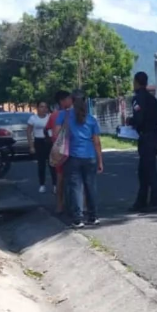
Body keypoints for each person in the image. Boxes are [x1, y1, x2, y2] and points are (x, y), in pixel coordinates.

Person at [56, 90, 103, 228]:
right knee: (91, 186)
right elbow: (97, 142)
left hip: (72, 156)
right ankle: (93, 216)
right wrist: (100, 160)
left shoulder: (64, 116)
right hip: (90, 156)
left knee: (75, 187)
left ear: (71, 100)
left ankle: (78, 219)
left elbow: (57, 134)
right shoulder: (91, 119)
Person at [127, 72, 157, 213]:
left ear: (136, 82)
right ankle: (141, 201)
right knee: (144, 170)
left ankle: (155, 201)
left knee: (148, 170)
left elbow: (139, 119)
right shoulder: (153, 99)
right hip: (154, 136)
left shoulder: (137, 99)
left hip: (146, 137)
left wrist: (131, 121)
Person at [45, 90, 73, 213]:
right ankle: (83, 204)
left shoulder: (53, 115)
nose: (71, 100)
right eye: (69, 98)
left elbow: (47, 131)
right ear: (62, 101)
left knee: (60, 178)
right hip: (71, 150)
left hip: (59, 150)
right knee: (75, 177)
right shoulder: (73, 114)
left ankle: (59, 205)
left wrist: (52, 142)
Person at [27, 101, 56, 194]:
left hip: (49, 141)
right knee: (41, 165)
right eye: (41, 107)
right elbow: (28, 132)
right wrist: (31, 146)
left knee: (52, 164)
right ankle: (42, 185)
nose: (44, 109)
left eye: (45, 107)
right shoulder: (33, 118)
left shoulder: (50, 117)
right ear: (37, 108)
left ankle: (55, 185)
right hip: (39, 142)